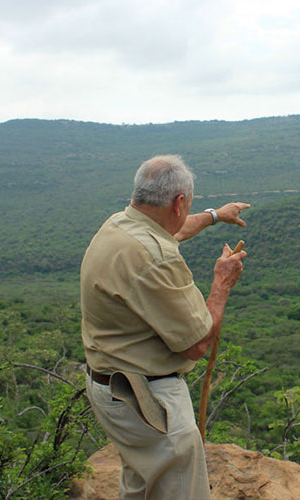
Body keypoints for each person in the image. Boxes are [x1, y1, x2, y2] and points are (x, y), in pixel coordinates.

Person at [81, 154, 249, 500]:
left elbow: (171, 230)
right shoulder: (155, 257)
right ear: (179, 202)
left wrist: (216, 215)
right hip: (149, 402)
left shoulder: (119, 225)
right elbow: (197, 344)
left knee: (142, 486)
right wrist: (221, 284)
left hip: (112, 389)